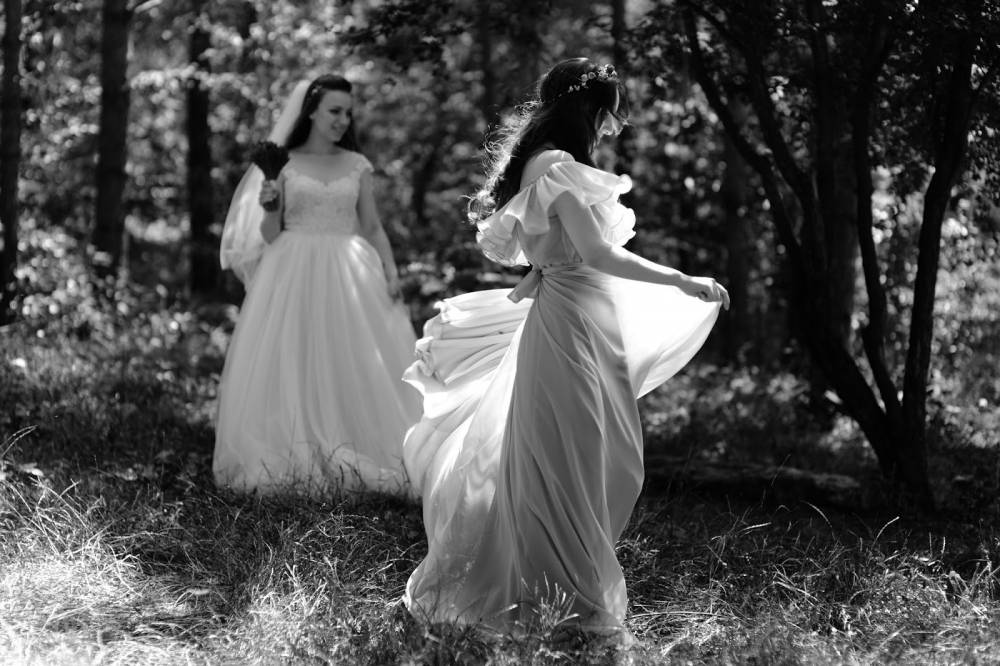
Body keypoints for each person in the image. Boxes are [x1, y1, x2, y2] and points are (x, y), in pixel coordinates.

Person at [401, 58, 729, 640]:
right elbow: (597, 254)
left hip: (580, 320)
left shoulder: (545, 164)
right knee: (573, 458)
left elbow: (550, 253)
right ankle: (564, 597)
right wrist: (684, 280)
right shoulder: (556, 166)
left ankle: (562, 586)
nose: (614, 126)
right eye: (612, 113)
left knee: (585, 454)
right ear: (590, 109)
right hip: (572, 326)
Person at [214, 75, 421, 495]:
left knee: (348, 354)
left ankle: (354, 440)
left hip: (348, 269)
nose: (343, 120)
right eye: (334, 111)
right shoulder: (283, 162)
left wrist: (390, 270)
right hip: (292, 268)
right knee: (294, 353)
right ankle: (290, 443)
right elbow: (270, 234)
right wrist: (270, 205)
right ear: (311, 112)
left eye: (348, 112)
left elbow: (372, 226)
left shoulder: (356, 164)